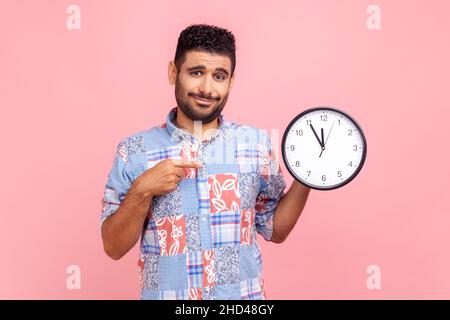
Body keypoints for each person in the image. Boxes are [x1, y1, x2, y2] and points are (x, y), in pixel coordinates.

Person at [100, 24, 311, 300]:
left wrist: (310, 174)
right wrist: (143, 190)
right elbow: (113, 247)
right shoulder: (134, 150)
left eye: (219, 76)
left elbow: (275, 228)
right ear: (173, 73)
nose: (207, 88)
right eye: (196, 72)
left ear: (231, 81)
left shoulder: (256, 145)